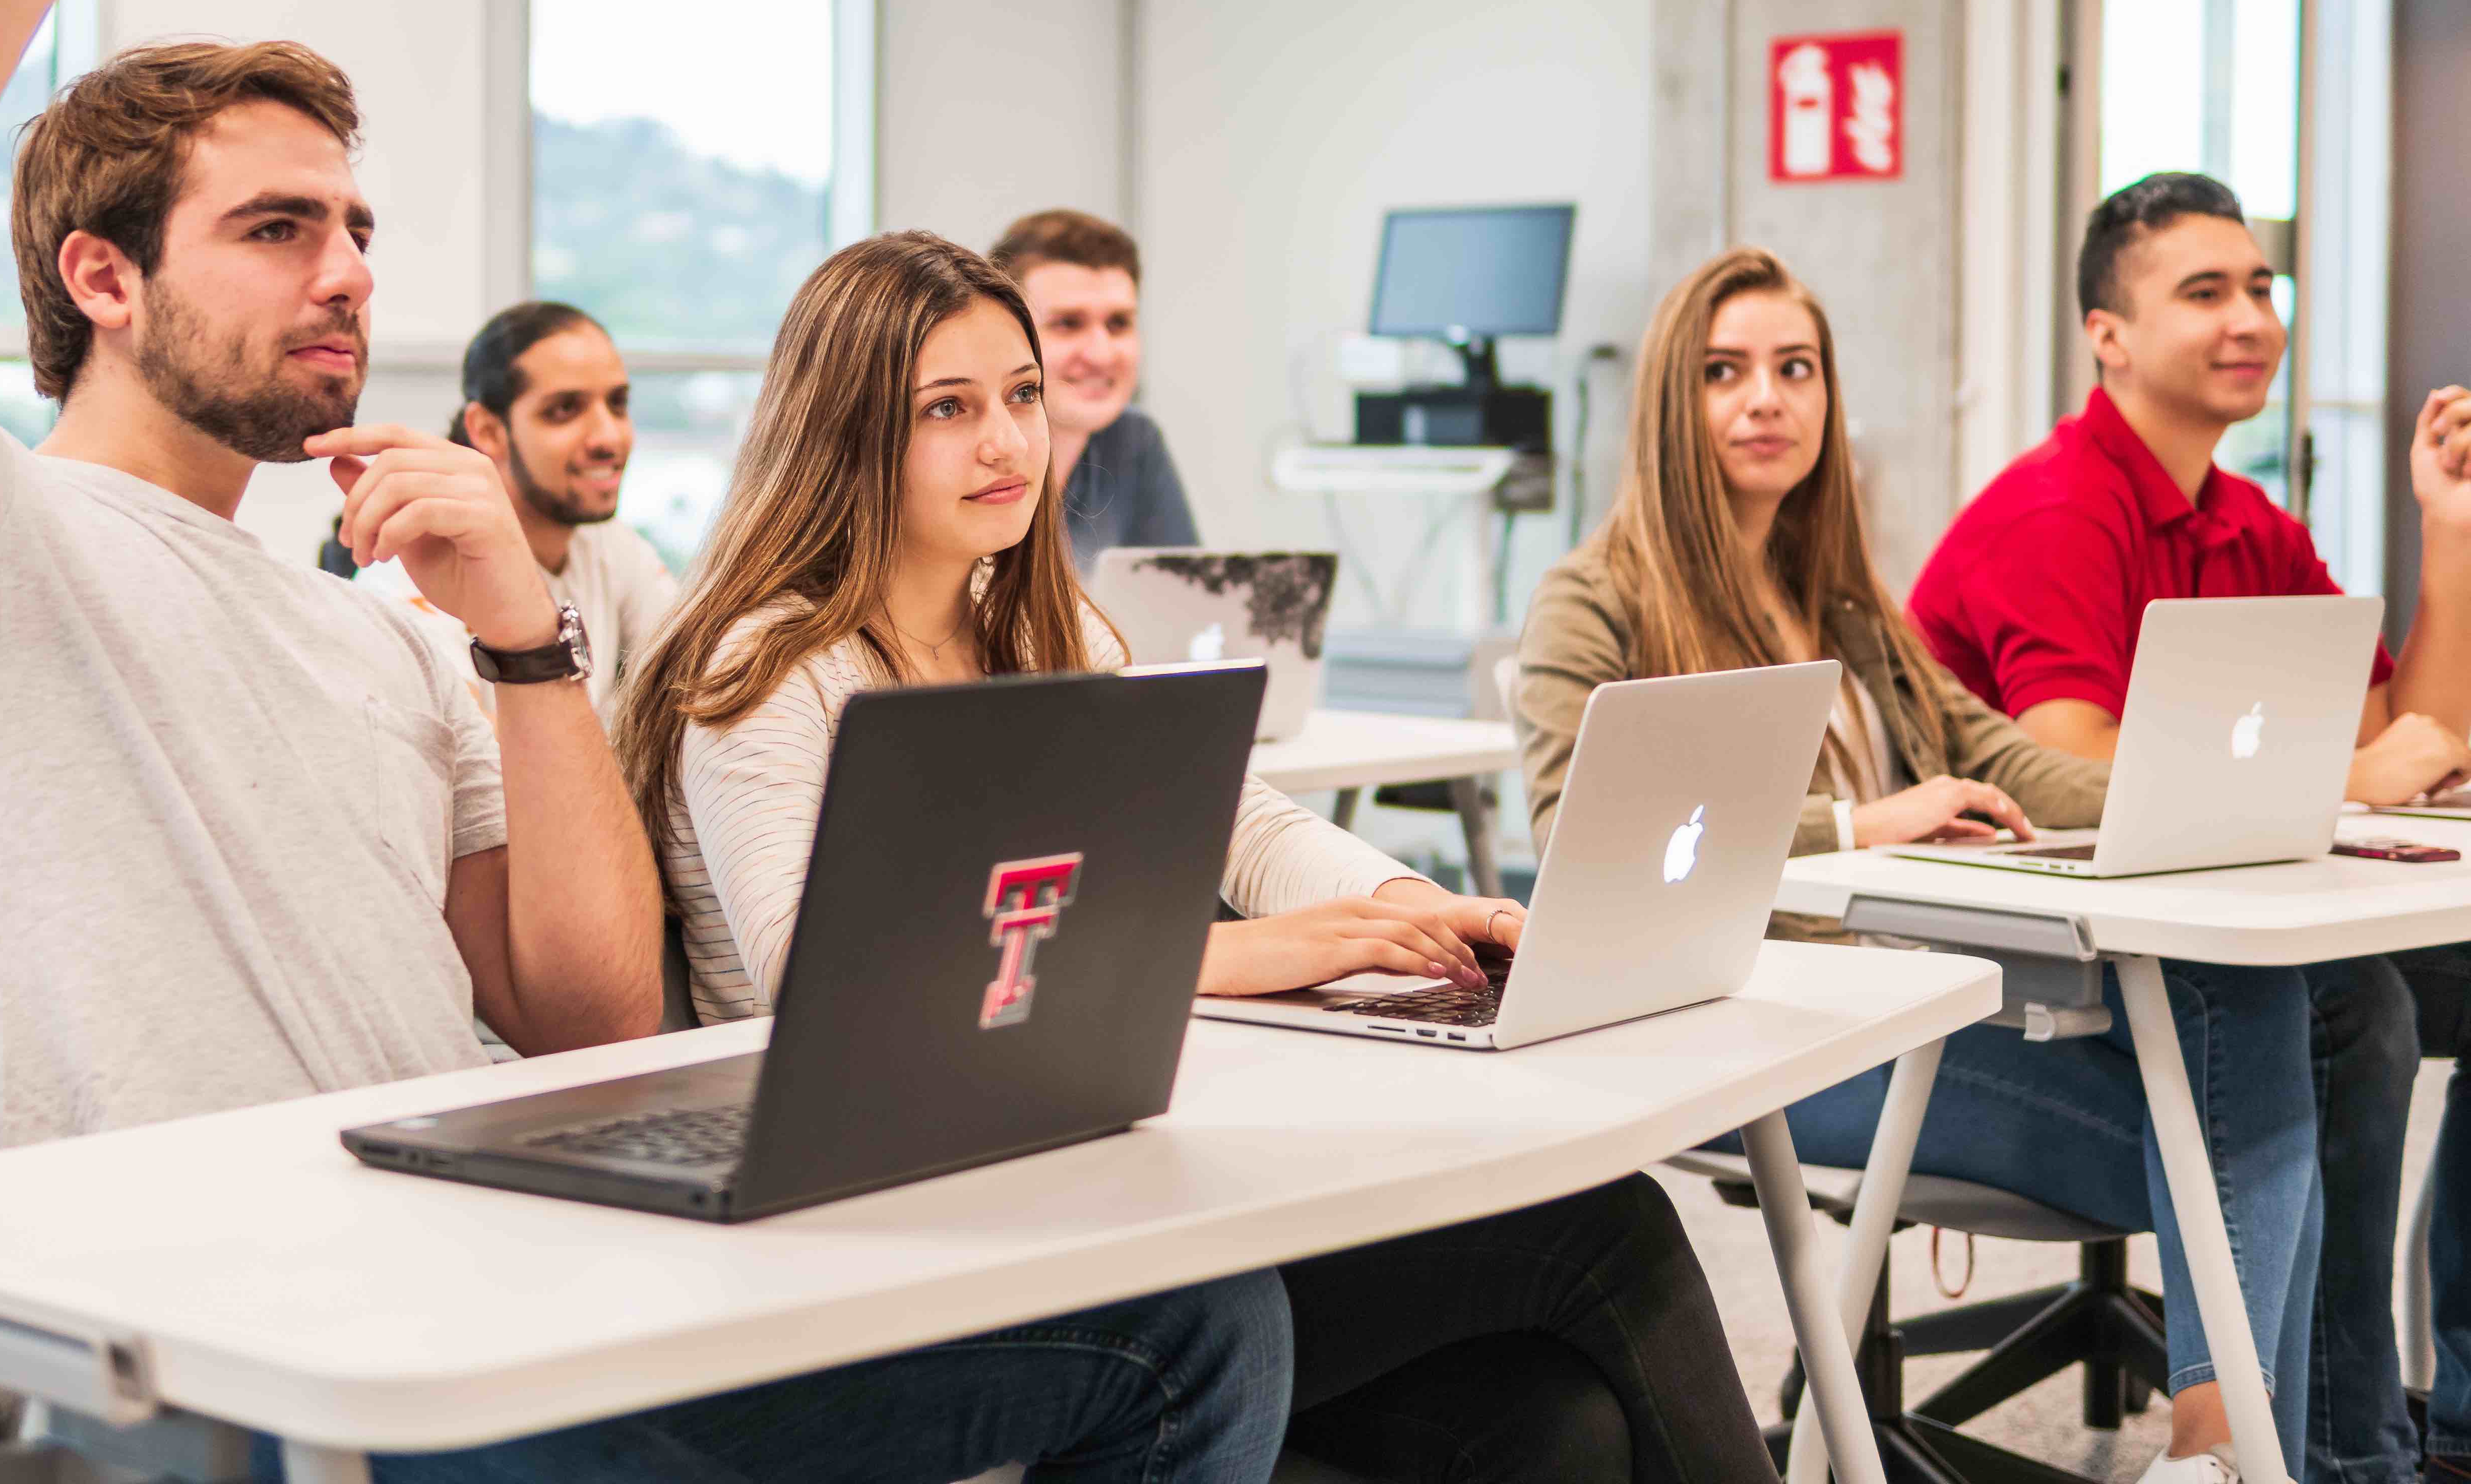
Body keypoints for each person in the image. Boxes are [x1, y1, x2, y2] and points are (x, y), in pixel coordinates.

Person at [0, 0, 1286, 1479]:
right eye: (279, 229)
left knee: (1198, 1325)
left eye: (361, 226)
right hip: (227, 1341)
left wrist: (519, 641)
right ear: (100, 277)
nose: (351, 275)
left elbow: (585, 1020)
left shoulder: (381, 645)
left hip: (492, 1275)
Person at [616, 227, 1777, 1484]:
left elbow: (1253, 826)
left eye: (1021, 396)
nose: (1010, 443)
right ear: (844, 430)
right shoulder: (771, 666)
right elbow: (820, 977)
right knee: (1600, 1244)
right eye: (948, 409)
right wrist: (1231, 954)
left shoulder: (1040, 626)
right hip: (906, 1238)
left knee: (1560, 1413)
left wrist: (1415, 905)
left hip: (1095, 1187)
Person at [1514, 244, 2330, 1484]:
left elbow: (2006, 756)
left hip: (1929, 1006)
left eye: (1797, 369)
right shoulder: (1597, 600)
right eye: (1723, 372)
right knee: (2250, 1133)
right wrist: (1863, 826)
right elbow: (1580, 842)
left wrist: (2201, 798)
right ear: (1670, 403)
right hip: (1770, 1034)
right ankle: (2241, 1452)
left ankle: (2231, 1451)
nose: (1766, 399)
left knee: (2271, 1034)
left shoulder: (1843, 606)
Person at [1906, 169, 2471, 1484]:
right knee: (2360, 1014)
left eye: (2263, 288)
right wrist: (2356, 778)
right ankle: (2337, 1455)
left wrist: (2447, 537)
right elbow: (2076, 775)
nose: (2251, 320)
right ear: (2107, 334)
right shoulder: (2062, 509)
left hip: (2209, 936)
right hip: (2026, 961)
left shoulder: (2241, 517)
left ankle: (2452, 1428)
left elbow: (2420, 737)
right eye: (2204, 293)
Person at [341, 301, 677, 723]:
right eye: (564, 410)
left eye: (618, 404)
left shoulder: (611, 544)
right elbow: (482, 783)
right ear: (488, 431)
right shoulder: (411, 585)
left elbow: (693, 682)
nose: (608, 437)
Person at [990, 209, 1197, 570]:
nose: (1101, 355)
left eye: (1119, 324)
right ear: (1003, 333)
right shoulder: (964, 450)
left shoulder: (1132, 442)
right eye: (1068, 324)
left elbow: (1192, 608)